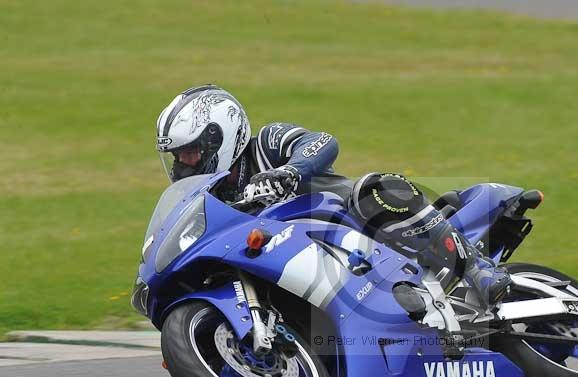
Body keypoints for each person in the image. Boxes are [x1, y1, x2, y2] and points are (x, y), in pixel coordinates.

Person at [155, 85, 510, 308]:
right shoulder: (214, 198)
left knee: (377, 188)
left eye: (191, 152)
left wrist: (289, 171)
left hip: (352, 226)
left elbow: (322, 142)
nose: (185, 164)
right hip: (312, 268)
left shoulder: (265, 143)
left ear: (221, 136)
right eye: (178, 157)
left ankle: (478, 269)